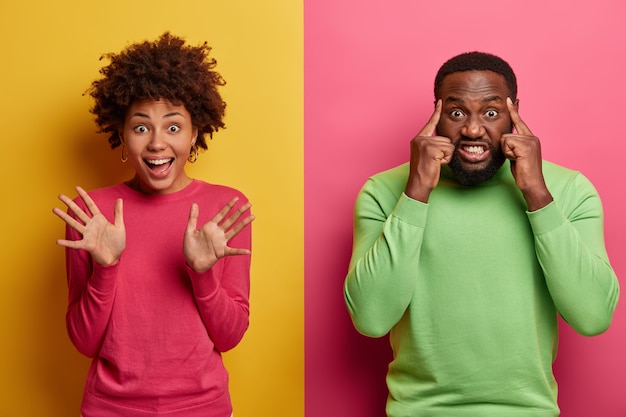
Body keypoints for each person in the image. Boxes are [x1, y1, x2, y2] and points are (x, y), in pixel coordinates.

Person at [344, 51, 619, 416]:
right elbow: (371, 318)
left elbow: (594, 316)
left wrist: (537, 194)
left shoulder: (569, 190)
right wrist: (416, 192)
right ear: (437, 113)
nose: (473, 130)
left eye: (491, 113)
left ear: (514, 111)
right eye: (457, 113)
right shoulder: (384, 191)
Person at [52, 32, 254, 417]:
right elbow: (83, 341)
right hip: (109, 408)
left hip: (203, 408)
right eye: (141, 127)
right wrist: (106, 268)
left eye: (174, 127)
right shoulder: (90, 213)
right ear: (122, 136)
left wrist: (203, 273)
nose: (157, 143)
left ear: (196, 134)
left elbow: (230, 337)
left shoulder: (226, 210)